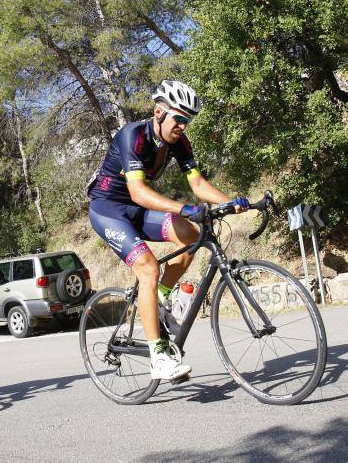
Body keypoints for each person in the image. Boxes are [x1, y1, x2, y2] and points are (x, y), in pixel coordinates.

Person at [87, 80, 249, 380]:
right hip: (108, 208)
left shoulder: (178, 143)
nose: (184, 127)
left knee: (189, 234)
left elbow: (198, 184)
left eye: (188, 121)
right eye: (180, 119)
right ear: (159, 112)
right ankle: (159, 358)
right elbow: (136, 191)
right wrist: (182, 207)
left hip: (136, 210)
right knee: (148, 267)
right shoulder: (132, 136)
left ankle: (160, 300)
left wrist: (232, 202)